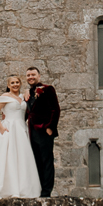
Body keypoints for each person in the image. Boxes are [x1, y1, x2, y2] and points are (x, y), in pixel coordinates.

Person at [25, 65, 61, 197]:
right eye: (28, 75)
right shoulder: (28, 93)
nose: (31, 77)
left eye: (33, 74)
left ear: (39, 76)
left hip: (44, 131)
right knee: (36, 161)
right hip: (32, 133)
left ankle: (46, 192)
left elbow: (55, 109)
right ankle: (38, 189)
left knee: (46, 161)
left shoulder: (47, 89)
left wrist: (50, 127)